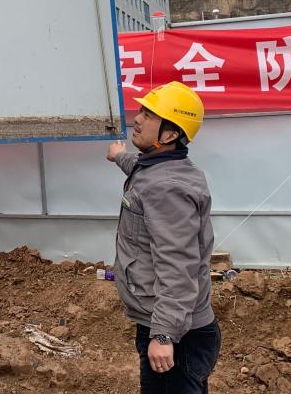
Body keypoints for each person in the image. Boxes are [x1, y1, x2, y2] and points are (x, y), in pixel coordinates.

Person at [105, 81, 220, 393]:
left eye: (149, 115)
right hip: (171, 324)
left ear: (169, 135)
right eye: (142, 110)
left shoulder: (167, 189)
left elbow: (178, 265)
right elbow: (141, 169)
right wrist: (119, 156)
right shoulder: (165, 167)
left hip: (177, 336)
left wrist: (163, 334)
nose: (138, 118)